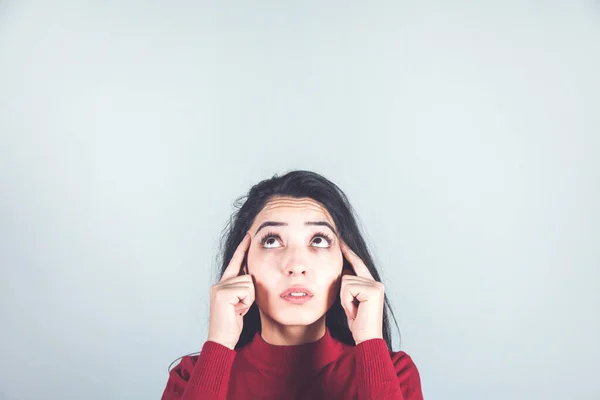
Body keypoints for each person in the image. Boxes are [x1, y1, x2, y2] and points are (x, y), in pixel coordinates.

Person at [161, 170, 423, 400]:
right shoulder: (190, 378)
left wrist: (369, 340)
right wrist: (218, 344)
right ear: (243, 265)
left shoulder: (395, 374)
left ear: (345, 265)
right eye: (272, 240)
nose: (296, 265)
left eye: (319, 240)